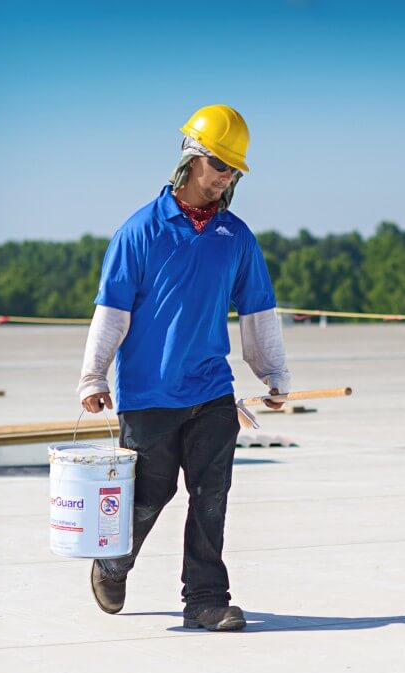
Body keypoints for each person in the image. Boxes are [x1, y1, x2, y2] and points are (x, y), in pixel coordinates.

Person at [77, 104, 291, 632]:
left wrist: (274, 375)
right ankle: (114, 562)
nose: (226, 177)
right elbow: (112, 311)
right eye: (219, 164)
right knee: (151, 493)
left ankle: (206, 600)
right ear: (191, 159)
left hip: (213, 391)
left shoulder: (236, 237)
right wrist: (93, 376)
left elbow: (258, 308)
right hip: (150, 393)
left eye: (233, 170)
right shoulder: (141, 231)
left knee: (211, 494)